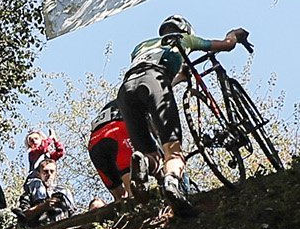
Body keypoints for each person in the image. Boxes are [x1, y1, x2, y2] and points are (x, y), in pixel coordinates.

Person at [117, 14, 244, 214]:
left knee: (151, 154)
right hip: (155, 80)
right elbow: (227, 45)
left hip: (126, 90)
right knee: (173, 151)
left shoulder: (142, 46)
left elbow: (149, 78)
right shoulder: (186, 39)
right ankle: (172, 184)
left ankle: (143, 162)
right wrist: (234, 34)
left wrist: (177, 76)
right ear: (185, 30)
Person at [87, 97, 133, 200]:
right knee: (131, 187)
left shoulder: (111, 104)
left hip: (93, 142)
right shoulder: (136, 94)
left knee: (119, 196)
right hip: (116, 131)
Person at [17, 157, 75, 226]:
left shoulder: (64, 192)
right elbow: (23, 216)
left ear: (55, 174)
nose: (49, 174)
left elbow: (73, 214)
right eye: (45, 171)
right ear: (39, 174)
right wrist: (42, 207)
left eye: (52, 171)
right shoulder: (30, 194)